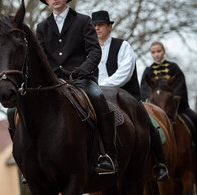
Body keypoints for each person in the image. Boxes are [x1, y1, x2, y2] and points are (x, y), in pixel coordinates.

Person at [36, 0, 117, 174]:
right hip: (53, 83)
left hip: (80, 78)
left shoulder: (83, 20)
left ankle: (108, 154)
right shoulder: (41, 27)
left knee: (97, 97)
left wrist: (84, 69)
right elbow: (40, 59)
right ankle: (31, 161)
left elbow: (95, 51)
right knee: (20, 110)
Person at [91, 10, 169, 181]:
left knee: (148, 124)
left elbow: (125, 73)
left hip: (126, 97)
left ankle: (160, 163)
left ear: (109, 26)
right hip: (98, 96)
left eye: (101, 25)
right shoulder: (90, 50)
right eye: (94, 25)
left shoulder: (123, 46)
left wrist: (102, 87)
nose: (97, 28)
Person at [141, 41, 197, 145]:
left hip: (174, 106)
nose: (156, 54)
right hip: (155, 107)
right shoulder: (148, 71)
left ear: (164, 51)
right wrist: (148, 99)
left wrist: (176, 96)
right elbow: (144, 88)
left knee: (194, 118)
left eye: (159, 51)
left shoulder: (173, 67)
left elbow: (180, 82)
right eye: (153, 52)